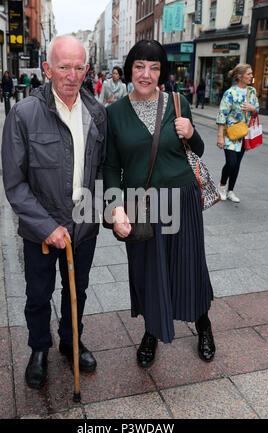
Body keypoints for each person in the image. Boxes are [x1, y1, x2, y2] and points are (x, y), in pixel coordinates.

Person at [1, 35, 107, 389]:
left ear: (87, 69)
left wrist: (98, 212)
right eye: (63, 66)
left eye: (78, 67)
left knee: (77, 291)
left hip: (83, 225)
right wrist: (47, 226)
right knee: (37, 293)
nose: (71, 75)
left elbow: (102, 171)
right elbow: (15, 184)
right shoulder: (24, 114)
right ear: (48, 69)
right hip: (41, 230)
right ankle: (39, 349)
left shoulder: (96, 113)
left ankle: (70, 341)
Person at [104, 40, 215, 368]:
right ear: (129, 69)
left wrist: (191, 132)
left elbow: (199, 149)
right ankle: (152, 330)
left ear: (162, 72)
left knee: (189, 266)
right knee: (147, 271)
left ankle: (203, 325)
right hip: (140, 202)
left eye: (154, 67)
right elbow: (110, 166)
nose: (146, 74)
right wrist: (115, 207)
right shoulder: (114, 114)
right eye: (140, 66)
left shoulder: (179, 103)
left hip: (182, 199)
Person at [216, 64, 259, 203]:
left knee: (237, 164)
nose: (251, 76)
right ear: (240, 76)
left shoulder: (252, 91)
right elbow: (222, 114)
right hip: (230, 133)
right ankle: (222, 187)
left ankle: (230, 191)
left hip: (244, 133)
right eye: (248, 74)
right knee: (231, 162)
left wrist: (253, 108)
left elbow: (256, 111)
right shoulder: (230, 93)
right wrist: (220, 136)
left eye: (251, 73)